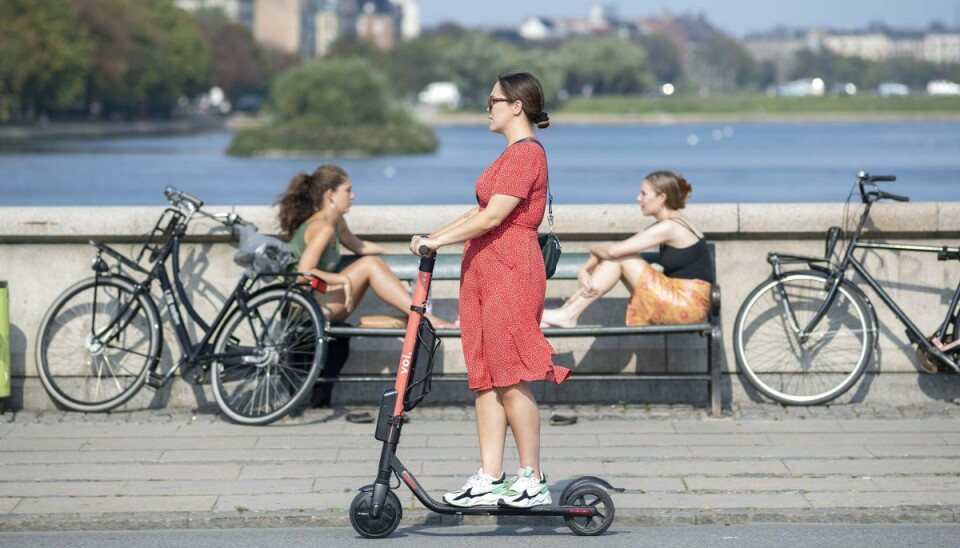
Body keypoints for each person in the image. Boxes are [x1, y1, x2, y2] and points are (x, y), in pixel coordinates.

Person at [410, 71, 571, 509]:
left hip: (511, 269)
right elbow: (477, 211)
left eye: (493, 100)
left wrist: (438, 242)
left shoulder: (526, 154)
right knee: (485, 377)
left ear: (517, 105)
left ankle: (532, 479)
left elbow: (492, 217)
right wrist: (434, 234)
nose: (488, 107)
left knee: (512, 374)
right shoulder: (509, 156)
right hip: (484, 267)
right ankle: (490, 476)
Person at [277, 165, 453, 328]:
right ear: (330, 194)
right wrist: (342, 280)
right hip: (306, 306)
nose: (353, 196)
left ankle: (414, 319)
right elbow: (304, 272)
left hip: (321, 299)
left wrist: (395, 255)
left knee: (372, 262)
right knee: (369, 264)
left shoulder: (336, 222)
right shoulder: (322, 227)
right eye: (348, 190)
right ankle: (421, 317)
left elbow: (360, 246)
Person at [540, 170, 714, 329]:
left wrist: (592, 247)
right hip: (684, 299)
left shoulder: (670, 227)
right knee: (620, 257)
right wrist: (585, 269)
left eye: (644, 194)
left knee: (623, 258)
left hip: (686, 304)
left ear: (661, 197)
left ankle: (568, 314)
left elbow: (614, 252)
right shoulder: (669, 224)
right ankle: (566, 313)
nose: (638, 198)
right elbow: (615, 250)